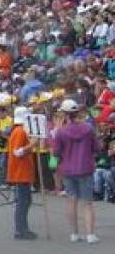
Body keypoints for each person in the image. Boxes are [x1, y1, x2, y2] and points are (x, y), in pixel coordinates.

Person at [51, 99, 102, 243]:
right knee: (87, 202)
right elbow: (97, 149)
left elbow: (56, 153)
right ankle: (90, 234)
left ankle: (74, 233)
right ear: (77, 112)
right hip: (85, 167)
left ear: (65, 114)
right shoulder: (88, 129)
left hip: (68, 169)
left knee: (71, 201)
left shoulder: (61, 132)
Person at [6, 106, 38, 240]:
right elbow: (17, 152)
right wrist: (32, 144)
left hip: (22, 170)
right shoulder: (20, 131)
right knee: (23, 201)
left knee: (25, 200)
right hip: (21, 170)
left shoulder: (17, 131)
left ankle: (23, 228)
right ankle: (20, 229)